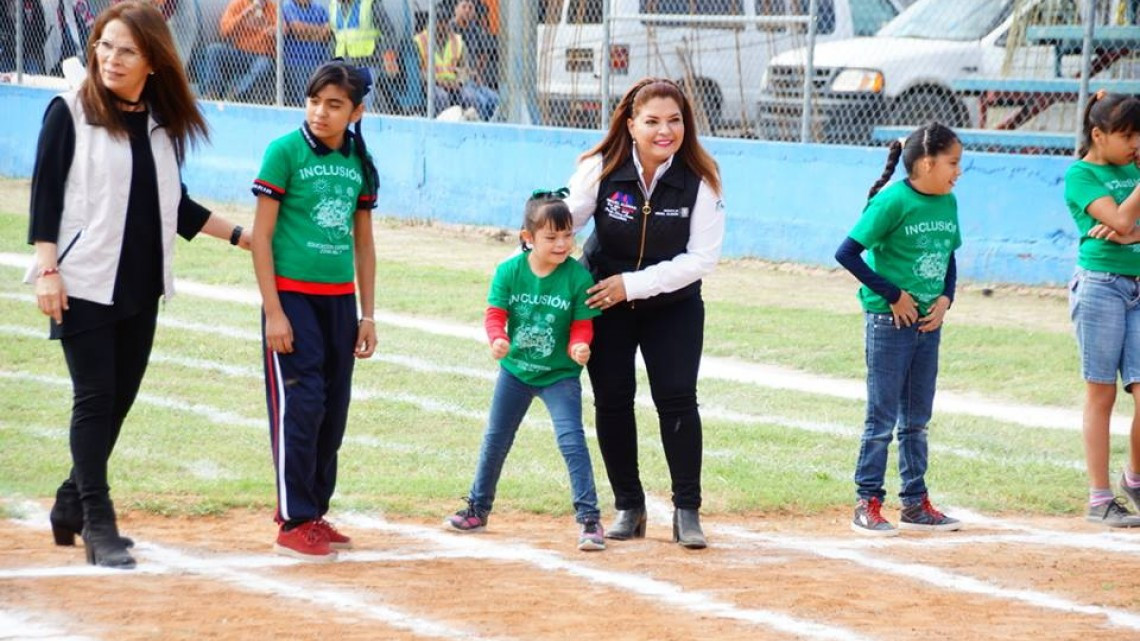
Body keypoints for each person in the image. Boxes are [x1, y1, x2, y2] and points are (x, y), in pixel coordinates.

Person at [26, 0, 251, 569]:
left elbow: (173, 204)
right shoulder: (70, 111)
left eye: (126, 49)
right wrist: (47, 269)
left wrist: (241, 237)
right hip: (81, 282)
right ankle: (99, 527)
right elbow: (46, 194)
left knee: (118, 404)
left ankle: (69, 501)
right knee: (94, 400)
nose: (111, 57)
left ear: (152, 60)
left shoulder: (161, 124)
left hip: (141, 286)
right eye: (104, 44)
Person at [564, 78, 725, 549]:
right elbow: (565, 219)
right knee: (612, 400)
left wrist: (630, 285)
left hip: (672, 305)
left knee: (677, 399)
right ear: (631, 124)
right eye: (652, 121)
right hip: (604, 303)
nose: (664, 131)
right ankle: (629, 506)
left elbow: (702, 260)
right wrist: (536, 240)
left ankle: (687, 510)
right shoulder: (600, 168)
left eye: (674, 121)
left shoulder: (703, 180)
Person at [251, 60, 379, 562]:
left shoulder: (360, 164)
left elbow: (364, 245)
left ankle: (316, 513)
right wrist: (274, 312)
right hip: (292, 299)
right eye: (314, 102)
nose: (320, 113)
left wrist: (367, 314)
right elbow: (261, 236)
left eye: (334, 105)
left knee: (332, 411)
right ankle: (293, 519)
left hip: (339, 304)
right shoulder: (283, 152)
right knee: (301, 406)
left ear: (356, 111)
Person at [443, 190, 605, 551]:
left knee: (571, 441)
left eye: (567, 235)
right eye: (551, 237)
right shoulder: (509, 271)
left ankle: (589, 518)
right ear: (528, 238)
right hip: (515, 372)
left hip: (559, 375)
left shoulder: (577, 278)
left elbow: (582, 323)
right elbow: (495, 314)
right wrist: (497, 338)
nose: (562, 243)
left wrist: (579, 345)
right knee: (496, 439)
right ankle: (477, 508)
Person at [833, 122, 964, 537]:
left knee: (917, 420)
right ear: (926, 163)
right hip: (890, 322)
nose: (958, 171)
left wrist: (946, 299)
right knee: (882, 417)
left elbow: (949, 258)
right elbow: (848, 253)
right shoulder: (893, 202)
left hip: (928, 324)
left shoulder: (948, 201)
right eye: (953, 162)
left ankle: (915, 502)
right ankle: (867, 501)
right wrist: (893, 295)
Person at [1063, 90, 1140, 527]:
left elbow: (1127, 227)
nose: (1135, 144)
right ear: (1098, 134)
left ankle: (1134, 479)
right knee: (1102, 392)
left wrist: (1132, 234)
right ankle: (1099, 498)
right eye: (1127, 135)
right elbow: (1123, 221)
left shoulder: (1133, 168)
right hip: (1102, 287)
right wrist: (1129, 229)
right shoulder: (1081, 175)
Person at [413, 9, 497, 120]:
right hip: (430, 84)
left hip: (455, 84)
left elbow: (465, 69)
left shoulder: (457, 41)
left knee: (470, 96)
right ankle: (442, 126)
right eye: (439, 22)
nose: (442, 26)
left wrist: (458, 82)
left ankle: (475, 126)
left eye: (445, 22)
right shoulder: (420, 40)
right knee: (441, 97)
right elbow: (416, 71)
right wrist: (438, 81)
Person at [328, 0, 400, 113]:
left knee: (364, 105)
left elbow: (389, 31)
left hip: (368, 63)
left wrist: (388, 55)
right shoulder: (334, 5)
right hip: (343, 65)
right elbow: (335, 36)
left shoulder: (369, 3)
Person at [198, 0, 277, 102]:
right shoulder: (238, 3)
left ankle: (235, 94)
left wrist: (274, 30)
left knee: (265, 63)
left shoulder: (272, 7)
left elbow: (283, 28)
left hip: (261, 55)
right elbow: (224, 30)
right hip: (239, 53)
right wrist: (246, 13)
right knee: (213, 50)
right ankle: (212, 92)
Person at [281, 0, 330, 106]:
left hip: (318, 61)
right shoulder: (287, 6)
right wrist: (318, 31)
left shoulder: (319, 8)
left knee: (320, 94)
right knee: (305, 97)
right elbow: (297, 30)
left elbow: (326, 34)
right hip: (295, 61)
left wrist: (306, 32)